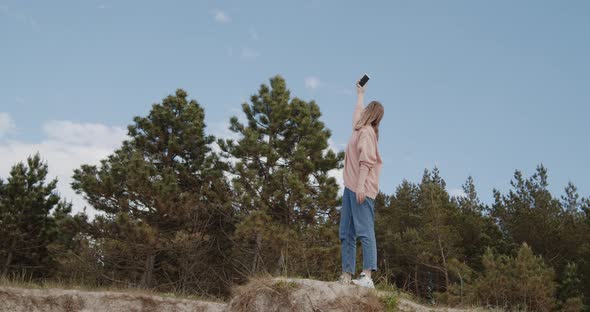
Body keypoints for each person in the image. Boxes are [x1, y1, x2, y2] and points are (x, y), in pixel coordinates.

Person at [338, 81, 384, 288]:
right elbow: (356, 114)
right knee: (346, 232)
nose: (361, 111)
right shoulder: (359, 129)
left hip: (361, 188)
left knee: (365, 231)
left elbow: (367, 160)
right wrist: (360, 94)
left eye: (365, 109)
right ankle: (346, 275)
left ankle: (367, 276)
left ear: (370, 114)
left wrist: (361, 185)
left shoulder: (367, 133)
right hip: (350, 187)